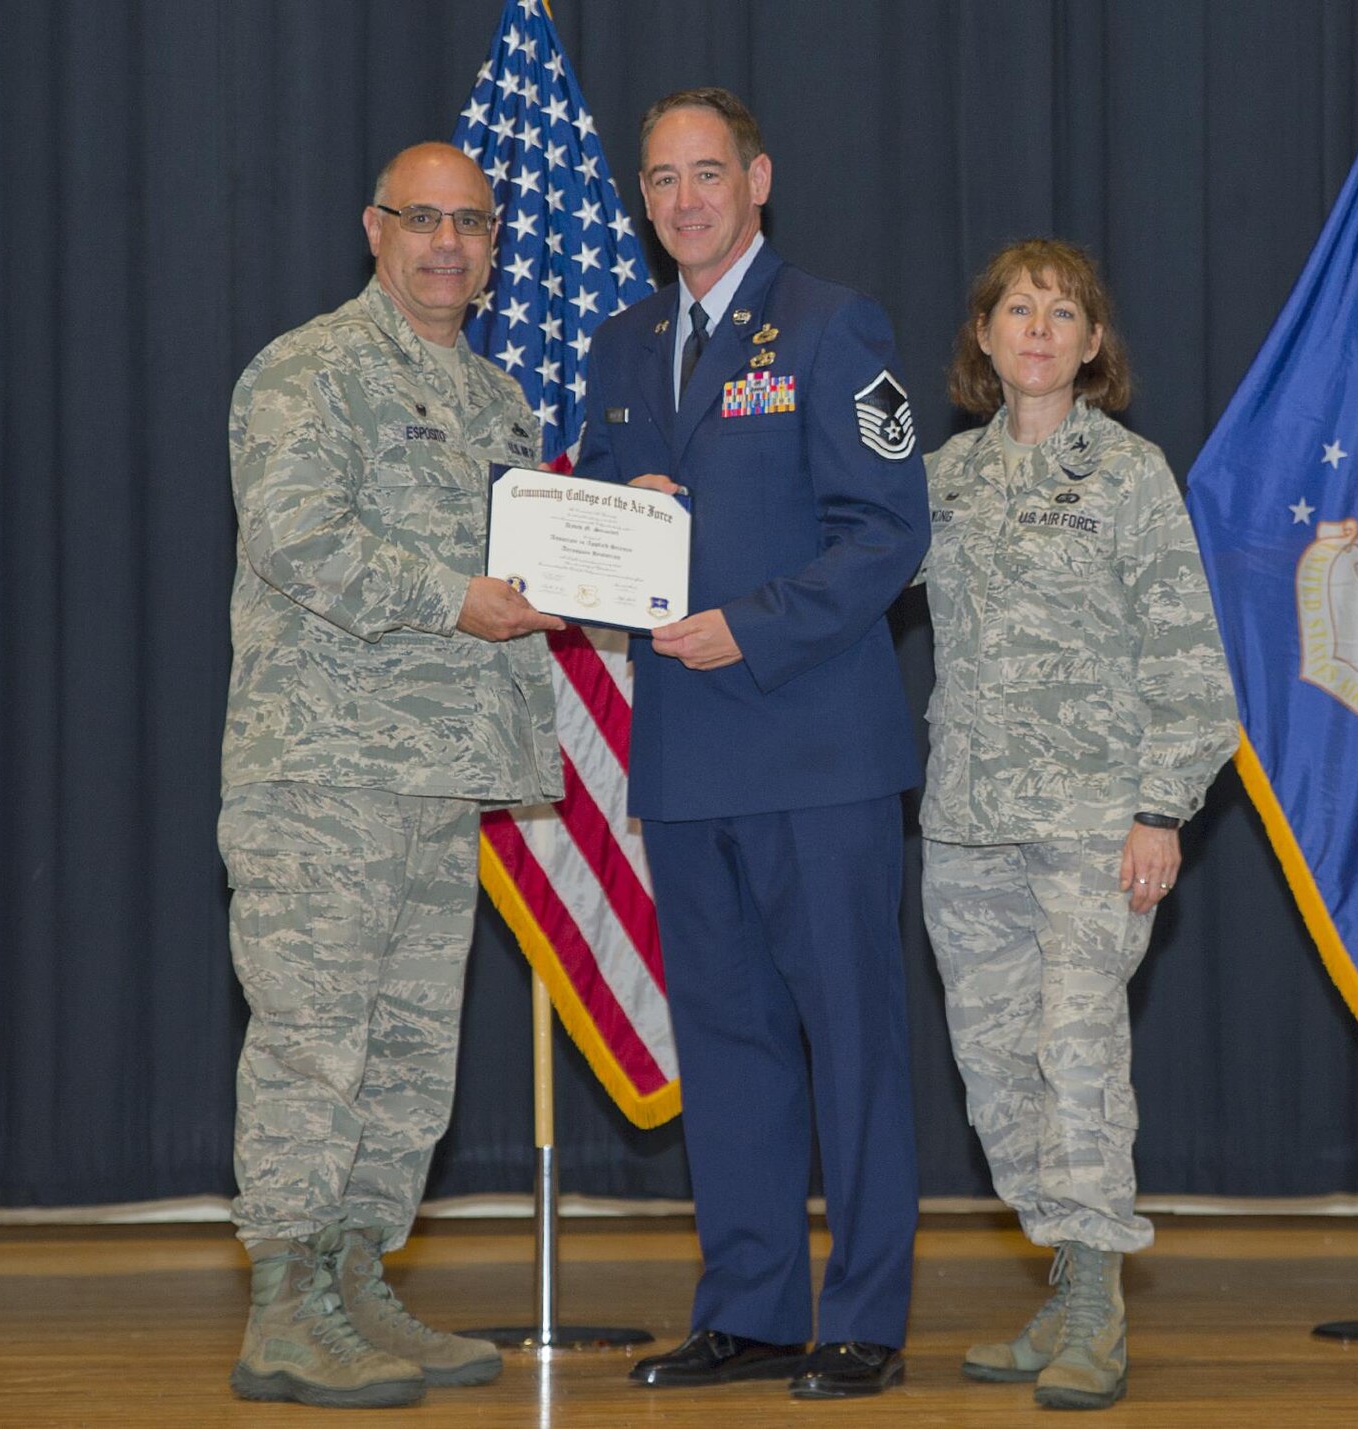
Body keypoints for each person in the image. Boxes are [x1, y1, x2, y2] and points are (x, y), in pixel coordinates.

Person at [573, 88, 931, 1399]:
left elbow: (889, 531)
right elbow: (591, 525)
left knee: (852, 1042)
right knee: (726, 1042)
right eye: (661, 179)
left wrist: (756, 626)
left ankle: (863, 1318)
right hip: (683, 756)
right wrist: (613, 517)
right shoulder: (621, 345)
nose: (683, 200)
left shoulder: (836, 326)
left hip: (817, 751)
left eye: (706, 172)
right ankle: (754, 1305)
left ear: (759, 177)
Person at [219, 141, 565, 1410]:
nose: (446, 243)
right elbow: (296, 537)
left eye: (470, 223)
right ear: (374, 229)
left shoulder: (496, 398)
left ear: (491, 244)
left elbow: (524, 564)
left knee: (409, 1056)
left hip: (442, 777)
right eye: (422, 218)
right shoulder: (310, 369)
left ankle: (355, 1281)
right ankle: (281, 1307)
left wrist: (610, 542)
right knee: (315, 1045)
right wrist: (452, 599)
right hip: (323, 771)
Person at [918, 238, 1237, 1411]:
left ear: (1092, 344)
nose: (1038, 327)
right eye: (1015, 308)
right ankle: (1060, 1282)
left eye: (1062, 311)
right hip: (966, 827)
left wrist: (1162, 809)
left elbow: (1189, 661)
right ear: (984, 339)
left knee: (1077, 1055)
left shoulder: (1130, 475)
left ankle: (1096, 1299)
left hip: (1093, 828)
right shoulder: (942, 479)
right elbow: (841, 576)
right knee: (995, 1069)